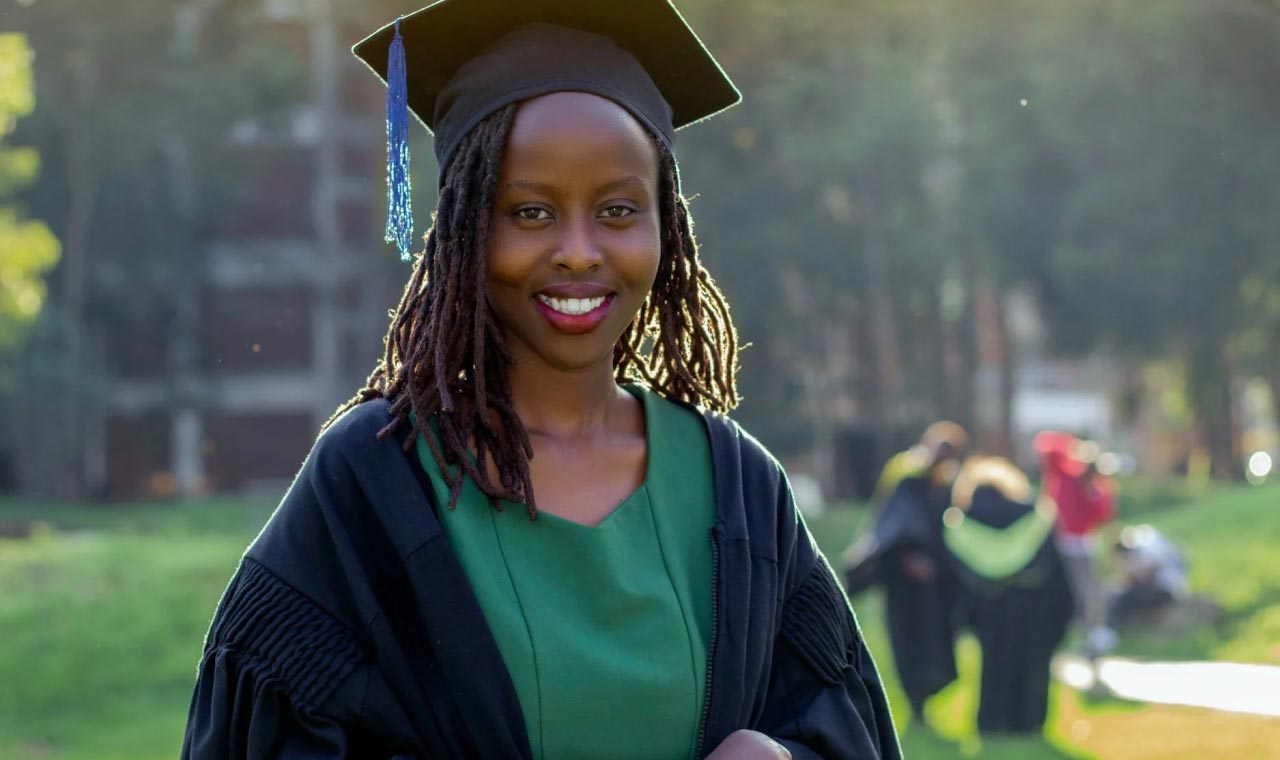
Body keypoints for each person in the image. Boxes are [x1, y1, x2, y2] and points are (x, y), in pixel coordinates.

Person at [180, 2, 901, 759]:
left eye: (618, 209)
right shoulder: (376, 479)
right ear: (465, 229)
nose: (580, 251)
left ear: (667, 224)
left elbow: (842, 727)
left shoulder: (737, 486)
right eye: (529, 212)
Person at [842, 421, 968, 723]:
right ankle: (916, 705)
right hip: (905, 586)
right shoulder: (908, 483)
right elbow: (892, 529)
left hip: (937, 587)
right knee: (908, 645)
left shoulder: (950, 491)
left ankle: (927, 697)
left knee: (940, 648)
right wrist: (906, 559)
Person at [942, 457, 1074, 735]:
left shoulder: (961, 523)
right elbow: (1057, 575)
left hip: (988, 607)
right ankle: (1029, 721)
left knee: (993, 663)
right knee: (1031, 663)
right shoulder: (1036, 518)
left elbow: (951, 580)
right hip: (1033, 605)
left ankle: (992, 721)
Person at [1034, 430, 1119, 658]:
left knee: (1088, 592)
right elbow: (1045, 445)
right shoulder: (1065, 476)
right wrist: (1078, 450)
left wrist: (1096, 489)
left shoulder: (1097, 490)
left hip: (1082, 547)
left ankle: (1092, 635)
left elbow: (1103, 516)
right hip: (1057, 545)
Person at [1108, 524, 1189, 629]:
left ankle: (1116, 628)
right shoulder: (1149, 537)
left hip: (1166, 590)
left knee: (1122, 598)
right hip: (1176, 586)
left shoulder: (1142, 548)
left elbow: (1145, 575)